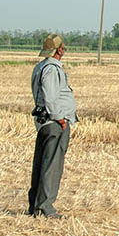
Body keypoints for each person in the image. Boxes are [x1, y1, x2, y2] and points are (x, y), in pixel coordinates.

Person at [28, 33, 77, 218]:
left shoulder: (41, 66)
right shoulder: (51, 69)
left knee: (42, 164)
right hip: (54, 122)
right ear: (59, 50)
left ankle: (36, 206)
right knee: (52, 166)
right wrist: (60, 119)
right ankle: (45, 208)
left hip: (45, 122)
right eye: (63, 47)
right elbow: (50, 97)